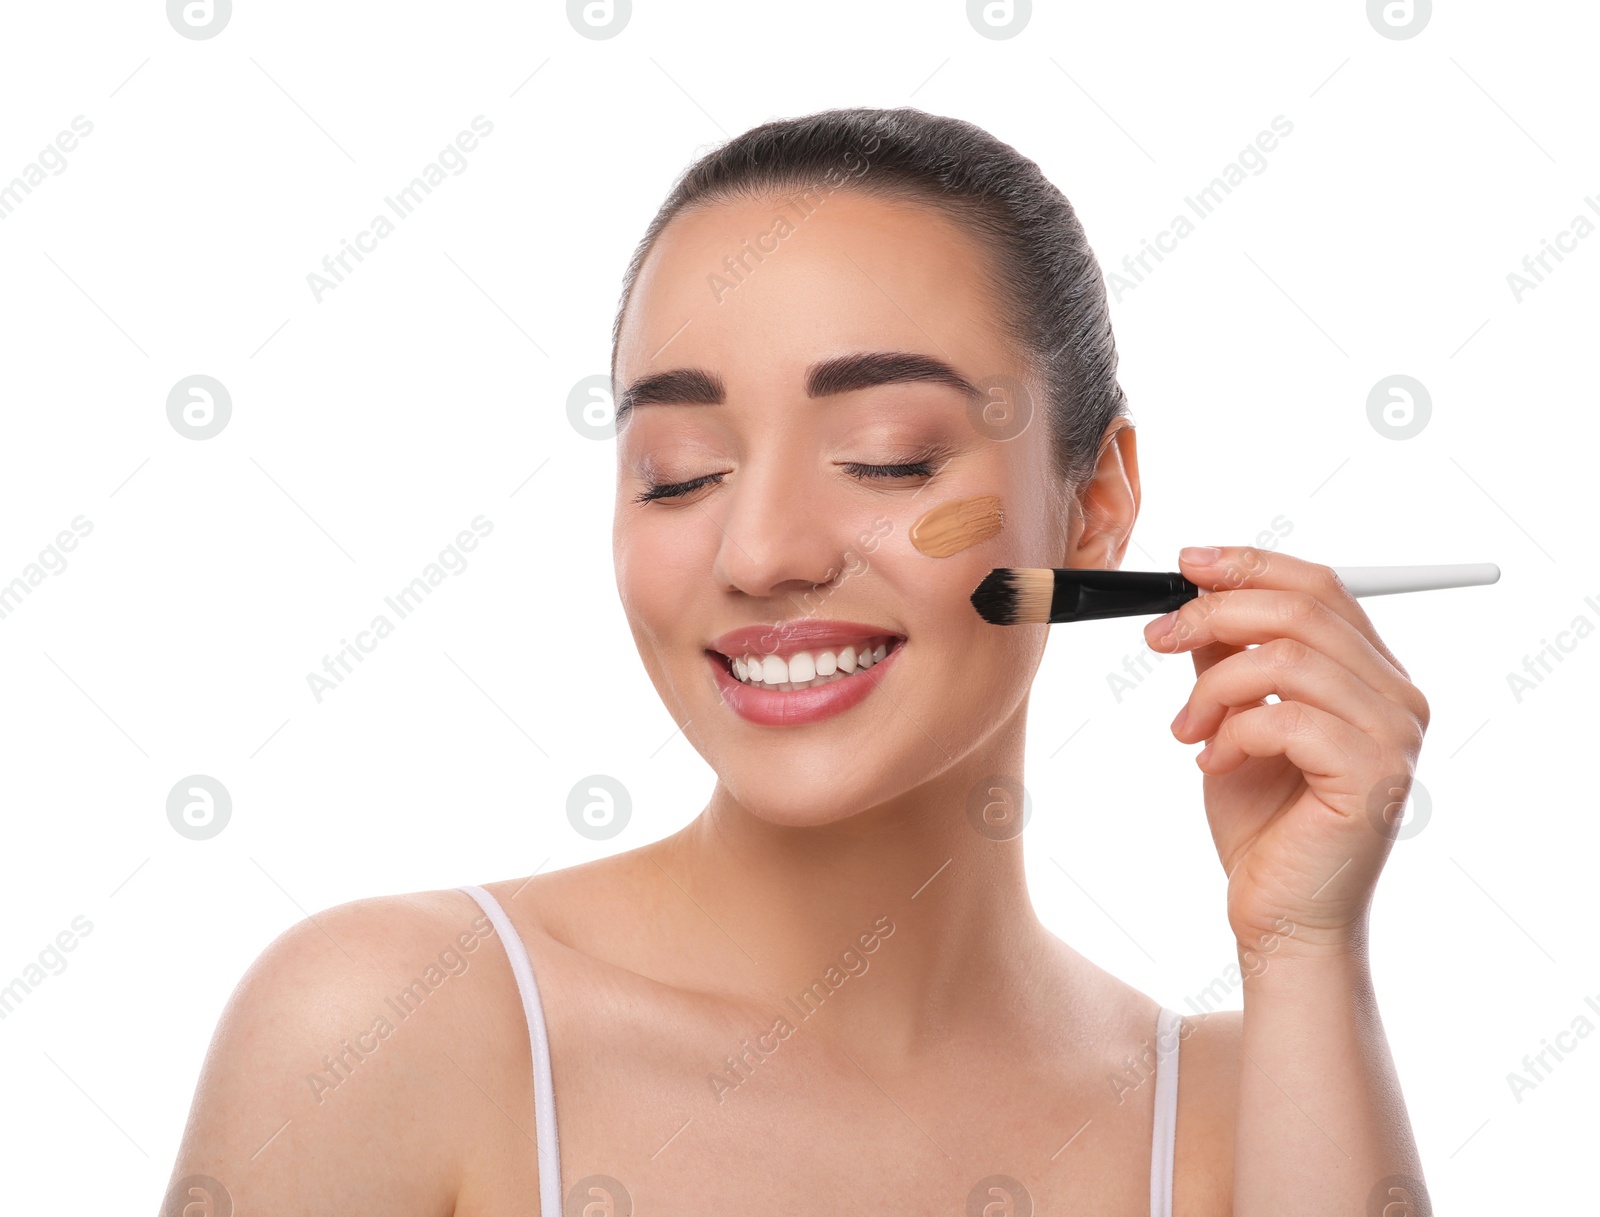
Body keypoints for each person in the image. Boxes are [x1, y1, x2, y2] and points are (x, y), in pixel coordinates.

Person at [164, 106, 1430, 1215]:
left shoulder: (1230, 1117)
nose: (762, 550)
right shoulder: (393, 1027)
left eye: (885, 454)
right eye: (679, 472)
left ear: (1094, 505)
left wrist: (1307, 950)